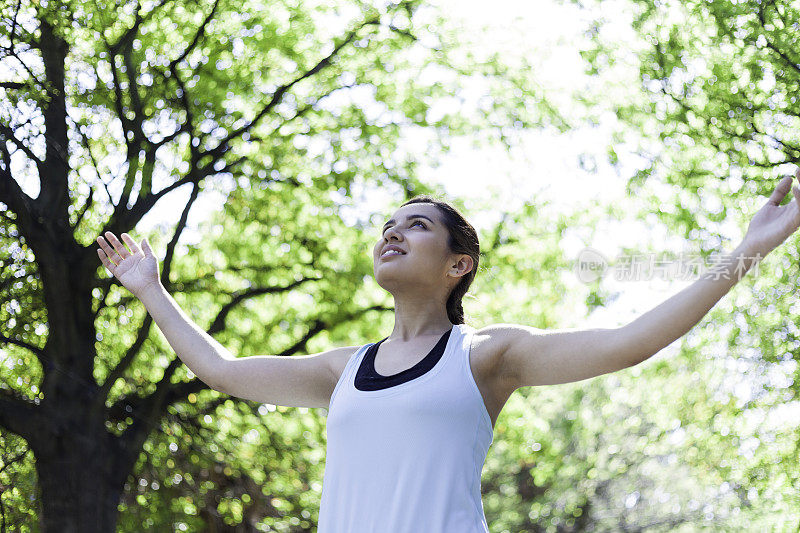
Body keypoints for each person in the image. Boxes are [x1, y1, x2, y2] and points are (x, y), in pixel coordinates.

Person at [96, 169, 800, 532]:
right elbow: (220, 369)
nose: (392, 233)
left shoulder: (488, 354)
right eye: (388, 225)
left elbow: (626, 342)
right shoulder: (344, 367)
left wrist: (744, 253)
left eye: (417, 225)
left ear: (458, 263)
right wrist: (151, 288)